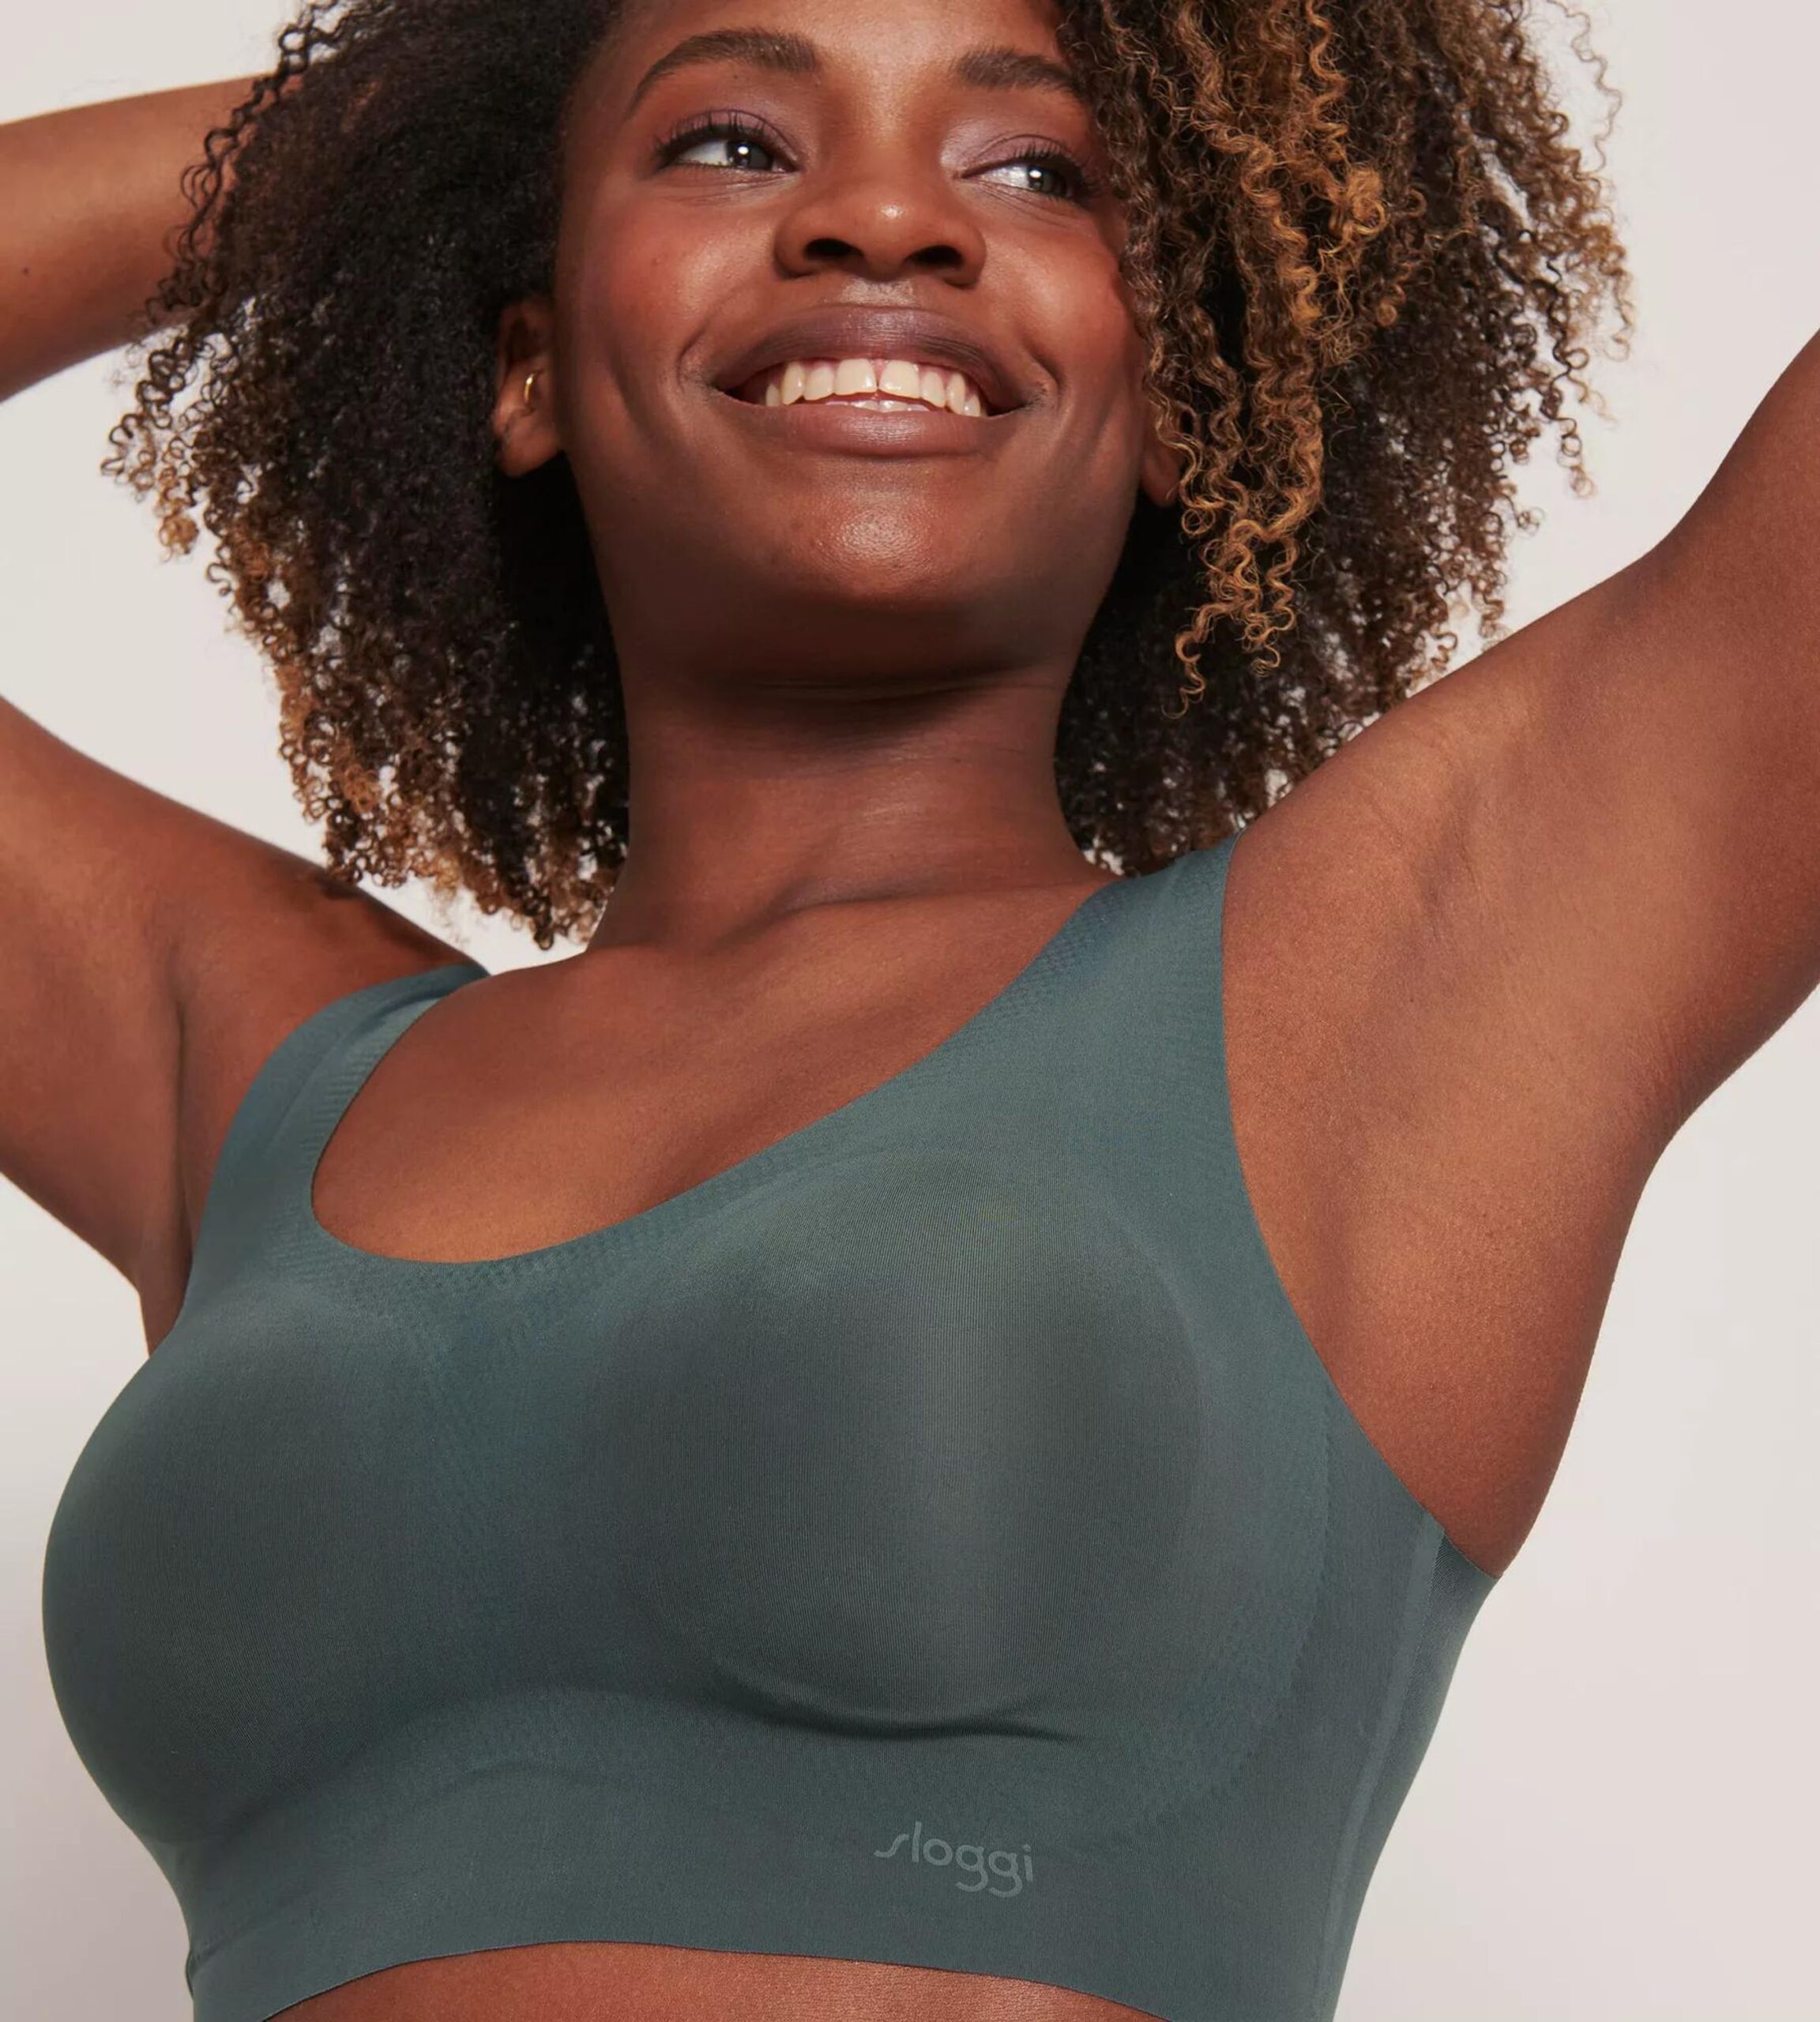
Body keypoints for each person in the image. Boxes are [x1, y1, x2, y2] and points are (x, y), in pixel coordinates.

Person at [6, 0, 1815, 2018]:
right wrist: (396, 145)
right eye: (731, 144)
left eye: (1035, 170)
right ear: (529, 364)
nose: (885, 217)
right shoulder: (261, 1072)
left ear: (1178, 400)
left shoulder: (1385, 990)